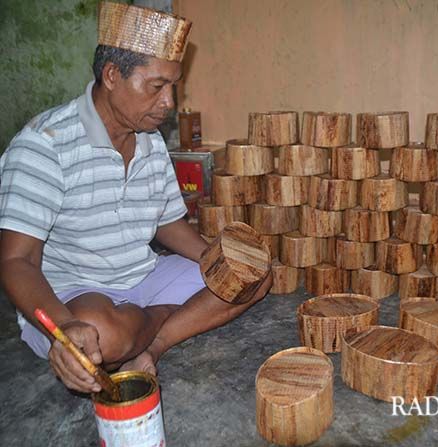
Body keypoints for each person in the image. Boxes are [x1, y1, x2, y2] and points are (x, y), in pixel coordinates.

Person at [0, 2, 271, 395]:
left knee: (252, 279)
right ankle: (155, 322)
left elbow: (167, 223)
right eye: (157, 86)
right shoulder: (44, 146)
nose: (169, 103)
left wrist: (218, 262)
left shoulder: (149, 140)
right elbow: (16, 260)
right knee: (100, 337)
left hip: (142, 277)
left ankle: (153, 344)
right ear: (112, 75)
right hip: (76, 296)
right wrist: (65, 326)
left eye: (173, 87)